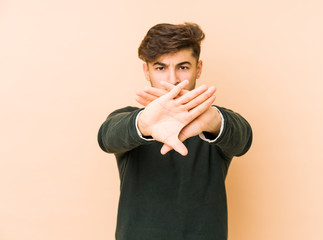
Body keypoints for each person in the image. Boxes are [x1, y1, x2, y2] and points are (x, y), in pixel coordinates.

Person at [97, 22, 252, 240]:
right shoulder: (130, 119)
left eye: (183, 67)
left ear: (198, 68)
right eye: (160, 68)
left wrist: (214, 120)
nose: (172, 80)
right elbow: (107, 137)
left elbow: (243, 139)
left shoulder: (213, 123)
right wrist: (142, 123)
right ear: (146, 70)